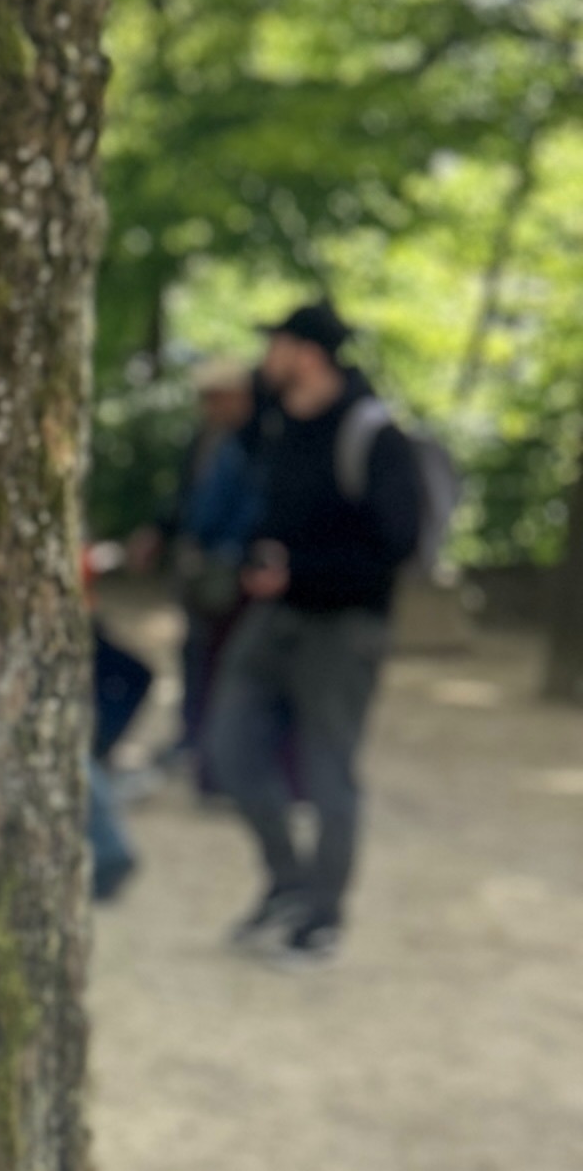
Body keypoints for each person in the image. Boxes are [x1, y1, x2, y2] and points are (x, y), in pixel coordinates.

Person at [208, 301, 424, 968]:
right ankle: (287, 883)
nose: (264, 358)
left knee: (329, 771)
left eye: (275, 344)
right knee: (228, 748)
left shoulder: (373, 434)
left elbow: (398, 545)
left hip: (344, 626)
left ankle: (322, 918)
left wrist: (301, 570)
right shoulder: (277, 423)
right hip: (275, 617)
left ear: (306, 353)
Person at [156, 357, 260, 780]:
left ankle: (215, 752)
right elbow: (189, 497)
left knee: (222, 659)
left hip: (229, 568)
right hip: (201, 563)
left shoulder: (252, 443)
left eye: (218, 397)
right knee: (197, 653)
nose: (210, 406)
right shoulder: (206, 439)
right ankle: (193, 737)